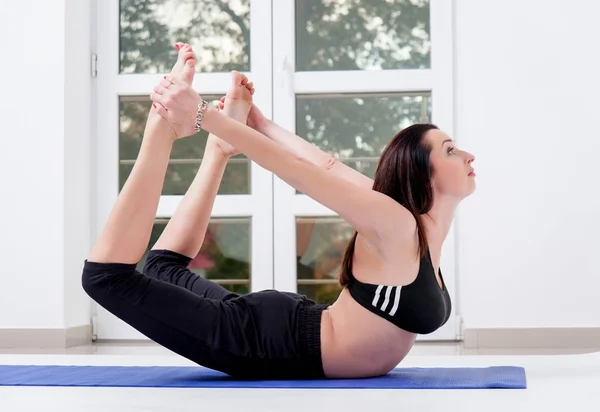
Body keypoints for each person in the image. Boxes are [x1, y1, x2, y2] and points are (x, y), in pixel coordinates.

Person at [82, 43, 476, 380]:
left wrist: (262, 124)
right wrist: (201, 114)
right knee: (104, 278)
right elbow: (301, 172)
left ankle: (217, 151)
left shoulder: (410, 226)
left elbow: (327, 166)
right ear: (421, 175)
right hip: (266, 344)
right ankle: (162, 126)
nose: (467, 155)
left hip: (290, 325)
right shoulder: (397, 225)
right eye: (451, 150)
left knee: (162, 270)